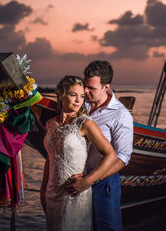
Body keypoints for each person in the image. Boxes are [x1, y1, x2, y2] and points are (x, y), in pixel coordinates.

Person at [40, 75, 117, 231]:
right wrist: (42, 189)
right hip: (51, 192)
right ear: (61, 95)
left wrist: (88, 181)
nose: (78, 100)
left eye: (82, 96)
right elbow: (50, 159)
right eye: (73, 95)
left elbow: (111, 155)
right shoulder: (50, 124)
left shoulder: (85, 123)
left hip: (74, 192)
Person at [67, 61, 133, 231]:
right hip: (75, 179)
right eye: (85, 86)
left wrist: (90, 180)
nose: (86, 91)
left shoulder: (121, 115)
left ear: (106, 87)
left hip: (104, 183)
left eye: (91, 88)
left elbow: (123, 158)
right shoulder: (81, 104)